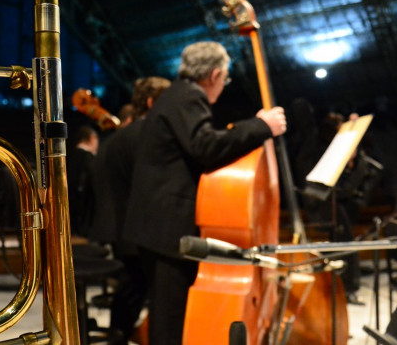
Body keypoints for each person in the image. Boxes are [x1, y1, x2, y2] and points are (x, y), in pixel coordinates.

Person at [122, 41, 286, 344]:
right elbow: (206, 147)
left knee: (167, 314)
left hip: (156, 225)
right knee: (169, 320)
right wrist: (261, 126)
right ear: (213, 74)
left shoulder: (175, 95)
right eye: (225, 78)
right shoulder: (188, 97)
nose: (223, 85)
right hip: (166, 229)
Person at [88, 76, 171, 344]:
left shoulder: (118, 137)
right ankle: (122, 335)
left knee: (132, 289)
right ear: (151, 102)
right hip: (140, 228)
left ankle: (120, 334)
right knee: (140, 290)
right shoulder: (147, 136)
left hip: (120, 226)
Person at [67, 125, 99, 237]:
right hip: (85, 212)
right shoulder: (89, 159)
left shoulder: (68, 156)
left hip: (70, 208)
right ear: (92, 138)